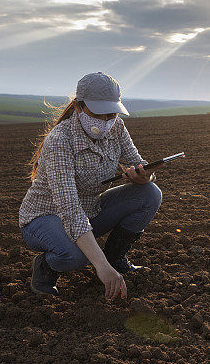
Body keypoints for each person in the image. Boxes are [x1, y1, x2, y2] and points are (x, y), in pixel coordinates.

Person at [18, 72, 163, 301]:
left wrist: (142, 176)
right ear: (78, 106)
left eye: (112, 113)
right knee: (77, 256)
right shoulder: (60, 141)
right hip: (45, 217)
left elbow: (136, 161)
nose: (105, 121)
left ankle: (116, 258)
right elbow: (70, 209)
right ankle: (46, 266)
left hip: (90, 210)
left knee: (149, 194)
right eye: (97, 113)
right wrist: (100, 266)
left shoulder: (117, 128)